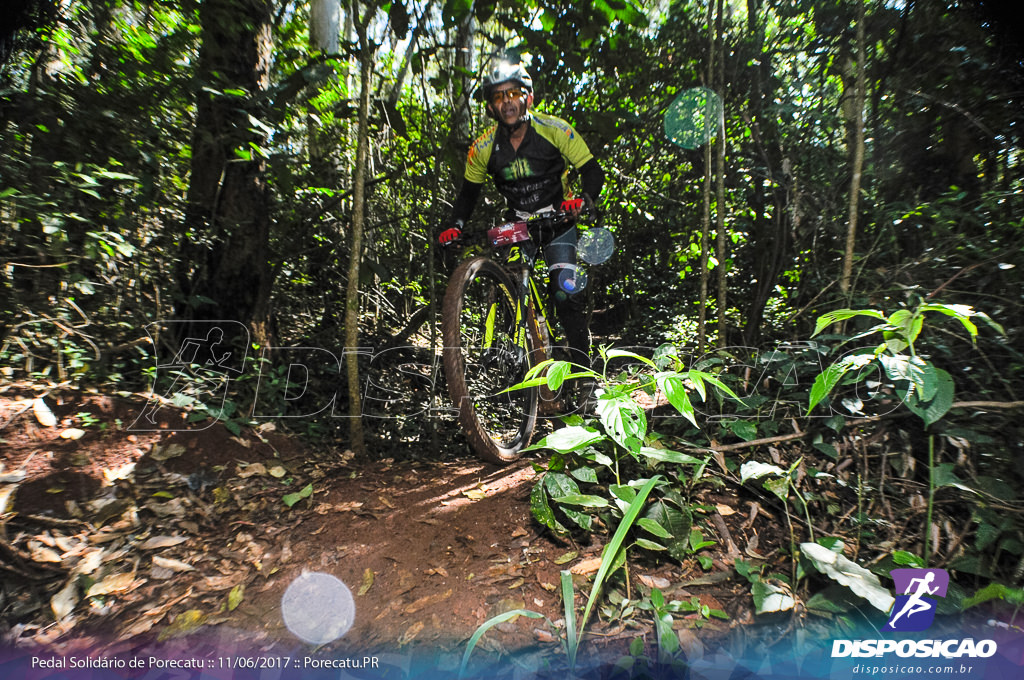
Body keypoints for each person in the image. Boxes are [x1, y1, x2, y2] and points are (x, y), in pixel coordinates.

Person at [439, 60, 604, 403]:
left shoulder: (554, 129)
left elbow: (592, 170)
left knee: (565, 294)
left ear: (529, 98)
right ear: (490, 106)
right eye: (499, 97)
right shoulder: (483, 147)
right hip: (517, 224)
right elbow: (468, 194)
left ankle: (588, 379)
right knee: (512, 284)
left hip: (558, 220)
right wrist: (455, 226)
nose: (507, 102)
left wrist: (584, 199)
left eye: (514, 93)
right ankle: (525, 360)